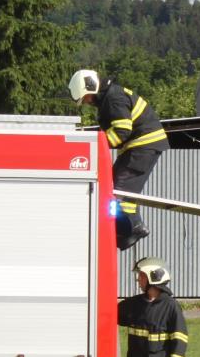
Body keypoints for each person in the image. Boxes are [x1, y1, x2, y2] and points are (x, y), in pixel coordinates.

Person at [69, 69, 168, 251]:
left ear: (92, 89)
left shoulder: (113, 99)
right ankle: (130, 226)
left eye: (86, 99)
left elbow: (122, 131)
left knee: (119, 188)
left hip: (143, 145)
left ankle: (133, 228)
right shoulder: (110, 96)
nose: (88, 103)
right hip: (139, 146)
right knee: (113, 184)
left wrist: (99, 146)